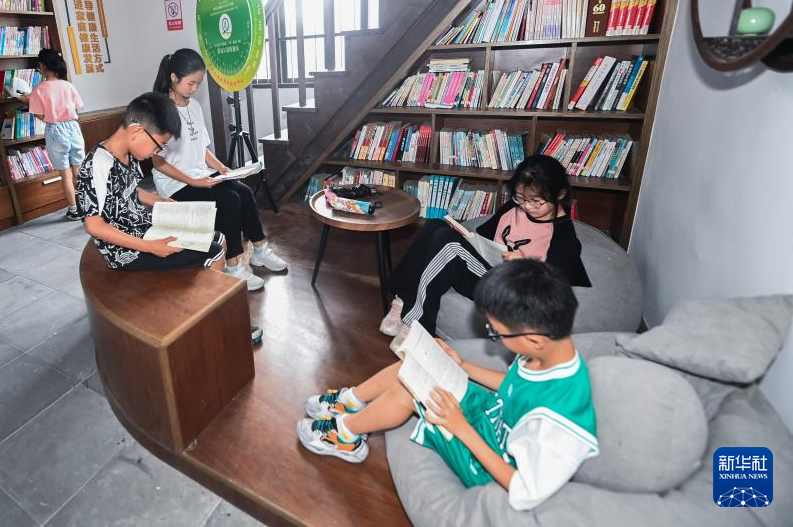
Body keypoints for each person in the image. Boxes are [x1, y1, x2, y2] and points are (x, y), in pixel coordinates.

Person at [297, 260, 599, 511]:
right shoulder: (548, 353)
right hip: (492, 419)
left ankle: (347, 435)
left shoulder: (559, 423)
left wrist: (460, 427)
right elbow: (515, 386)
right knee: (416, 366)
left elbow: (524, 490)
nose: (494, 338)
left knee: (411, 391)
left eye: (496, 333)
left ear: (534, 340)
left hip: (490, 461)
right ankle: (351, 401)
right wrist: (463, 367)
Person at [74, 91, 263, 344]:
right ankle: (222, 325)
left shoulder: (126, 152)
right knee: (214, 251)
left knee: (218, 236)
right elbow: (94, 225)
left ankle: (208, 312)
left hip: (144, 228)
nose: (156, 152)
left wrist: (158, 200)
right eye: (157, 145)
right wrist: (151, 247)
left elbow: (127, 191)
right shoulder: (97, 164)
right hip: (125, 250)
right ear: (137, 131)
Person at [380, 155, 590, 337]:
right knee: (435, 225)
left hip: (509, 287)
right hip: (487, 266)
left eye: (536, 201)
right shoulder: (514, 207)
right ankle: (403, 299)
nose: (526, 206)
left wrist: (525, 266)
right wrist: (468, 237)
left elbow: (552, 288)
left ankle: (416, 325)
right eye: (521, 198)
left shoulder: (564, 237)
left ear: (560, 194)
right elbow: (483, 235)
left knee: (448, 243)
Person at [149, 48, 287, 291]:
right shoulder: (159, 112)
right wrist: (194, 182)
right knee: (229, 200)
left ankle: (259, 250)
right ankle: (232, 266)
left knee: (243, 191)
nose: (194, 89)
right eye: (191, 83)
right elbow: (157, 162)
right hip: (176, 185)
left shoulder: (194, 107)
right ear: (173, 78)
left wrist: (222, 168)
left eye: (198, 84)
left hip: (200, 176)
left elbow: (202, 149)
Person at [15, 48, 86, 220]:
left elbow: (41, 116)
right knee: (79, 170)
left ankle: (74, 210)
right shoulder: (68, 85)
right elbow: (78, 106)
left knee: (66, 175)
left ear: (42, 66)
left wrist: (30, 100)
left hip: (55, 131)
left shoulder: (39, 90)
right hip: (74, 128)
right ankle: (88, 206)